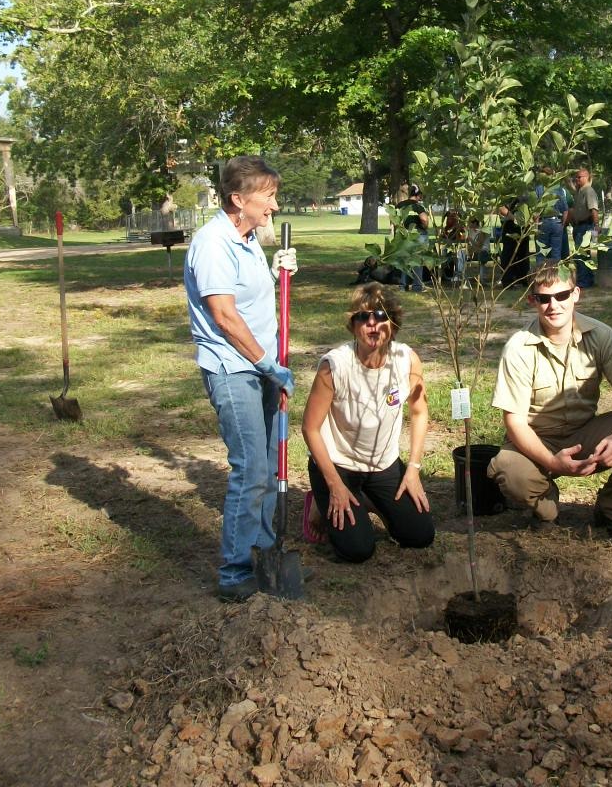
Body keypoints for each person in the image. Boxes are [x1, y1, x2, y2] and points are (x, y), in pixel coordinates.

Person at [487, 262, 612, 542]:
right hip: (537, 439)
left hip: (585, 434)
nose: (553, 306)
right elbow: (514, 422)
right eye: (544, 299)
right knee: (508, 468)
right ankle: (546, 510)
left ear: (576, 294)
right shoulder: (518, 348)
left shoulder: (601, 336)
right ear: (531, 300)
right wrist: (552, 462)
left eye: (562, 296)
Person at [184, 156, 299, 603]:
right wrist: (265, 363)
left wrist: (274, 272)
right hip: (235, 370)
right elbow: (224, 315)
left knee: (269, 465)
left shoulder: (245, 238)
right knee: (250, 468)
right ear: (237, 199)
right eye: (266, 195)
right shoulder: (213, 243)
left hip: (262, 366)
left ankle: (266, 550)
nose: (274, 204)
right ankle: (234, 570)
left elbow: (245, 295)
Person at [301, 283, 434, 562]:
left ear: (393, 323)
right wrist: (334, 485)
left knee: (420, 536)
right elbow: (310, 428)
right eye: (363, 317)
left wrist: (413, 469)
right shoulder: (334, 367)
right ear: (353, 325)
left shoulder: (406, 360)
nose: (372, 324)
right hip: (341, 465)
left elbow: (419, 411)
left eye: (381, 316)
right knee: (358, 550)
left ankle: (370, 499)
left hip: (382, 465)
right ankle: (319, 499)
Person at [564, 166, 600, 289]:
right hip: (578, 227)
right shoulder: (580, 191)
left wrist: (596, 226)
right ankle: (588, 279)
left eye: (579, 177)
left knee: (581, 254)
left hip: (586, 226)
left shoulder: (588, 191)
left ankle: (584, 281)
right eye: (576, 177)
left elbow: (594, 209)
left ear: (586, 177)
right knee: (584, 254)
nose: (576, 179)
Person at [396, 184, 429, 292]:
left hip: (404, 235)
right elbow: (424, 220)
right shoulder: (418, 206)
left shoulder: (399, 205)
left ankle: (403, 286)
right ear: (418, 195)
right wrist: (425, 226)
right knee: (417, 262)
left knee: (405, 261)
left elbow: (394, 220)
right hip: (418, 235)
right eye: (421, 196)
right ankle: (417, 287)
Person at [535, 168, 571, 265]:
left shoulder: (539, 189)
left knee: (541, 253)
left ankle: (540, 277)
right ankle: (555, 276)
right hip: (557, 223)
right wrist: (562, 225)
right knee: (556, 253)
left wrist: (536, 225)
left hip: (544, 222)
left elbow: (537, 210)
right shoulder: (559, 189)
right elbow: (565, 210)